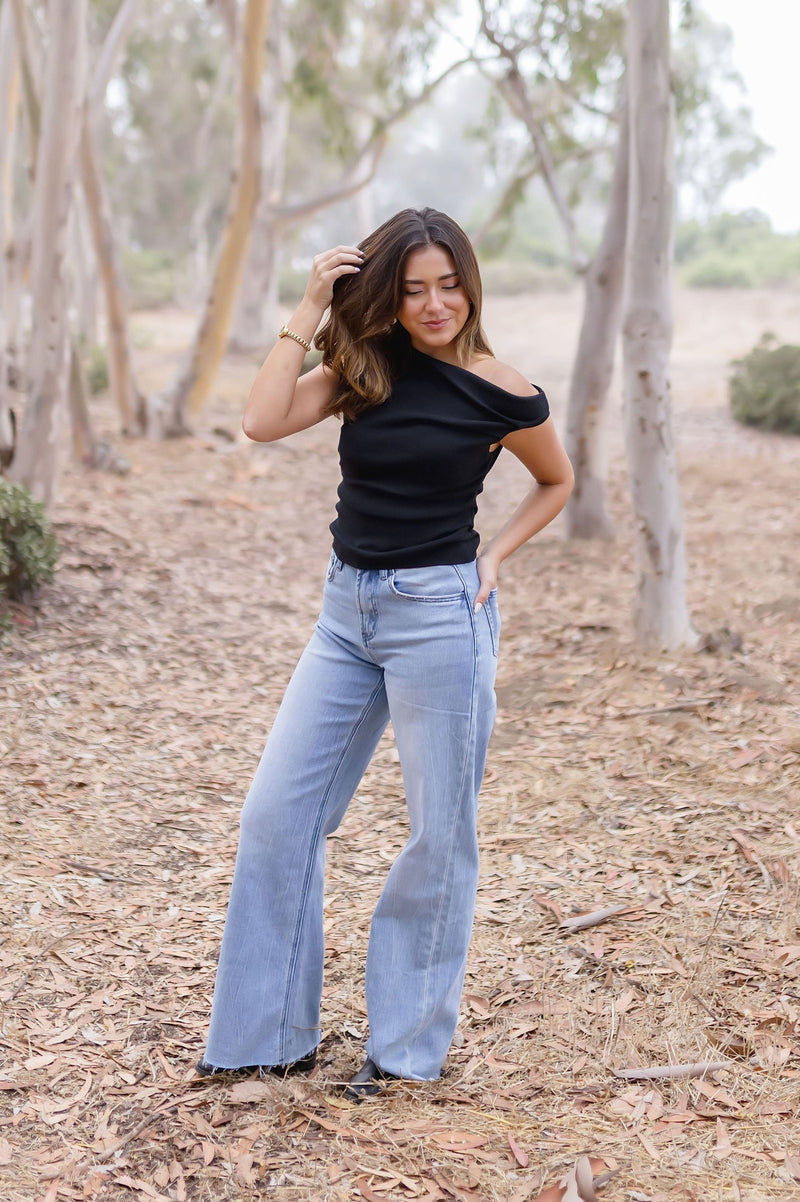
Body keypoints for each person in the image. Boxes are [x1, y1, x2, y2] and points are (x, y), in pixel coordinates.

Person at [196, 207, 573, 1100]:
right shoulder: (364, 367)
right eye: (412, 290)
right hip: (345, 616)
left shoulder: (503, 390)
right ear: (387, 298)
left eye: (449, 285)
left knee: (439, 835)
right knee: (278, 814)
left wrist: (494, 556)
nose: (434, 304)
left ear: (471, 286)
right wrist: (309, 304)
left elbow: (556, 480)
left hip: (439, 618)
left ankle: (403, 1052)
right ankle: (265, 1037)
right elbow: (261, 420)